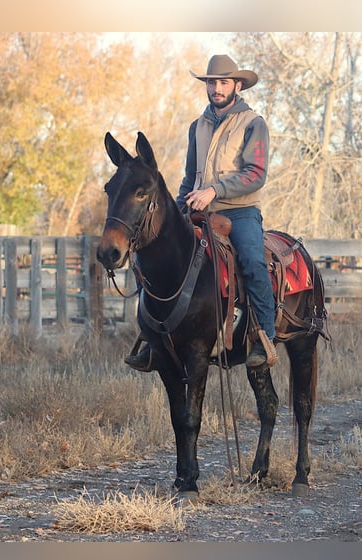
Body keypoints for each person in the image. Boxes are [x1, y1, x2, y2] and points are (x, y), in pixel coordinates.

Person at [125, 54, 277, 370]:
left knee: (252, 261)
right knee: (150, 256)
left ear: (237, 85)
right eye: (211, 82)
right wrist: (177, 208)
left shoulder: (252, 124)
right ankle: (152, 341)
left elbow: (256, 173)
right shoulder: (198, 126)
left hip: (239, 211)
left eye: (223, 82)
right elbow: (190, 175)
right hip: (196, 209)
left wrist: (215, 190)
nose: (216, 88)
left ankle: (265, 338)